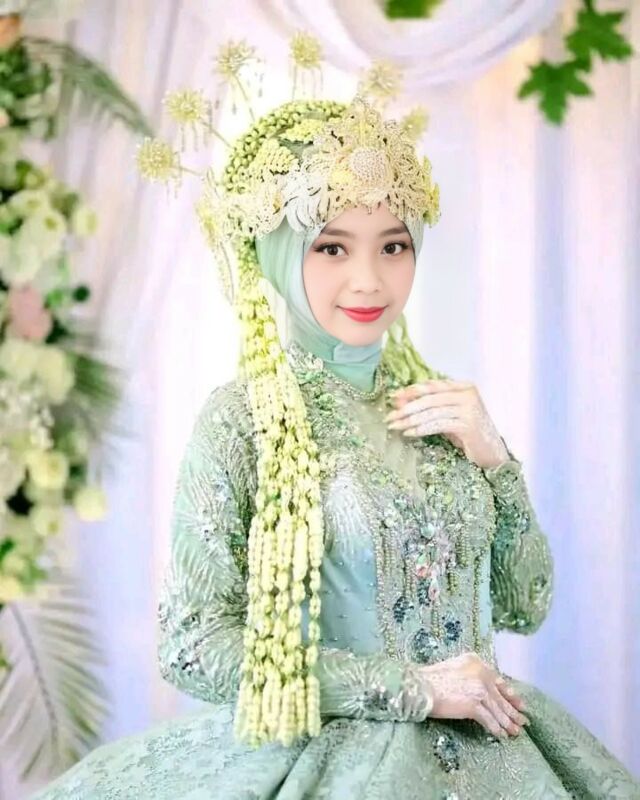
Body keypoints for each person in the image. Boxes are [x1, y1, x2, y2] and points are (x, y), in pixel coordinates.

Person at [31, 46, 640, 800]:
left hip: (499, 756)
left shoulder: (441, 411)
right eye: (330, 248)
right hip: (334, 765)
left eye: (394, 246)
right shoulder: (244, 421)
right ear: (276, 253)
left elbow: (526, 603)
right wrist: (413, 688)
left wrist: (496, 462)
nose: (368, 280)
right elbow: (193, 646)